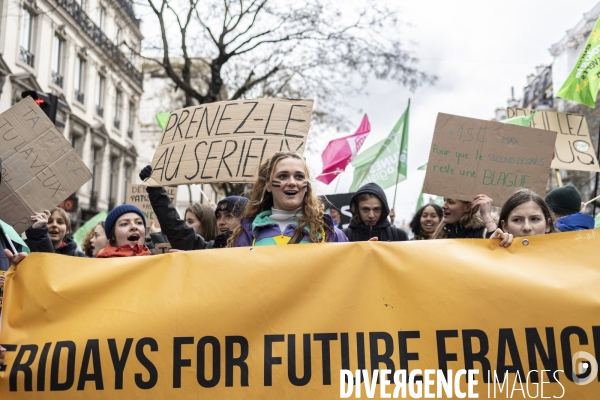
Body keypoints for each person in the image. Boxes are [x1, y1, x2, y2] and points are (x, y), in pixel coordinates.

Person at [229, 152, 347, 246]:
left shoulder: (329, 234)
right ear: (268, 185)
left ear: (306, 186)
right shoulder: (248, 234)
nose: (292, 182)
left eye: (299, 176)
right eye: (283, 176)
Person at [139, 165, 246, 249]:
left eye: (228, 216)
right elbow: (176, 230)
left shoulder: (258, 245)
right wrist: (155, 190)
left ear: (245, 218)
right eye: (218, 216)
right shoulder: (212, 248)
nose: (220, 222)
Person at [343, 183, 408, 242]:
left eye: (377, 209)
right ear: (357, 209)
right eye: (365, 209)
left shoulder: (399, 236)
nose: (371, 215)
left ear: (383, 210)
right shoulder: (343, 237)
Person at [432, 195, 497, 239]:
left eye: (451, 202)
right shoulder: (444, 229)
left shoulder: (482, 232)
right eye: (444, 201)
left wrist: (486, 214)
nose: (443, 206)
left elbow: (497, 248)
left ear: (467, 207)